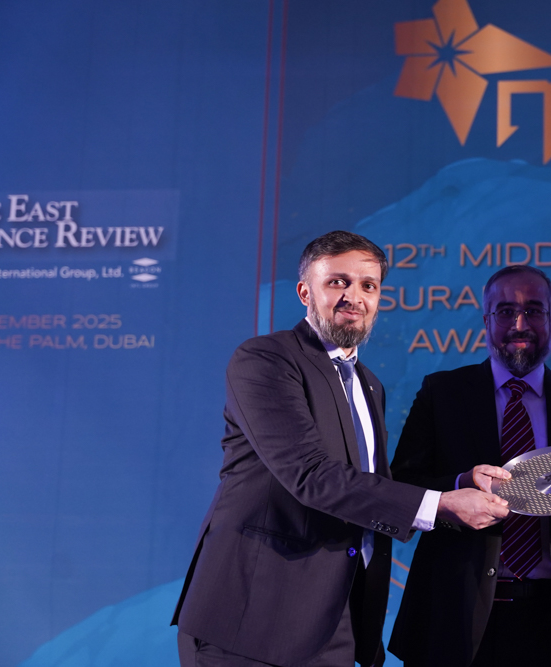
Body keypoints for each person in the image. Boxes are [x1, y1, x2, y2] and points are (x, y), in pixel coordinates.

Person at [171, 231, 509, 667]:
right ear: (304, 292)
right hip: (251, 623)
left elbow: (368, 486)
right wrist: (441, 505)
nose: (355, 297)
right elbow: (310, 475)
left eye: (368, 285)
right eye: (338, 282)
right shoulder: (265, 360)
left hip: (338, 621)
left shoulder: (369, 384)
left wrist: (459, 483)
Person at [387, 265, 551, 667]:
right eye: (506, 311)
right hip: (455, 617)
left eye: (533, 311)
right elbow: (402, 486)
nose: (520, 324)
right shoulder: (442, 393)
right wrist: (460, 483)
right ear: (486, 320)